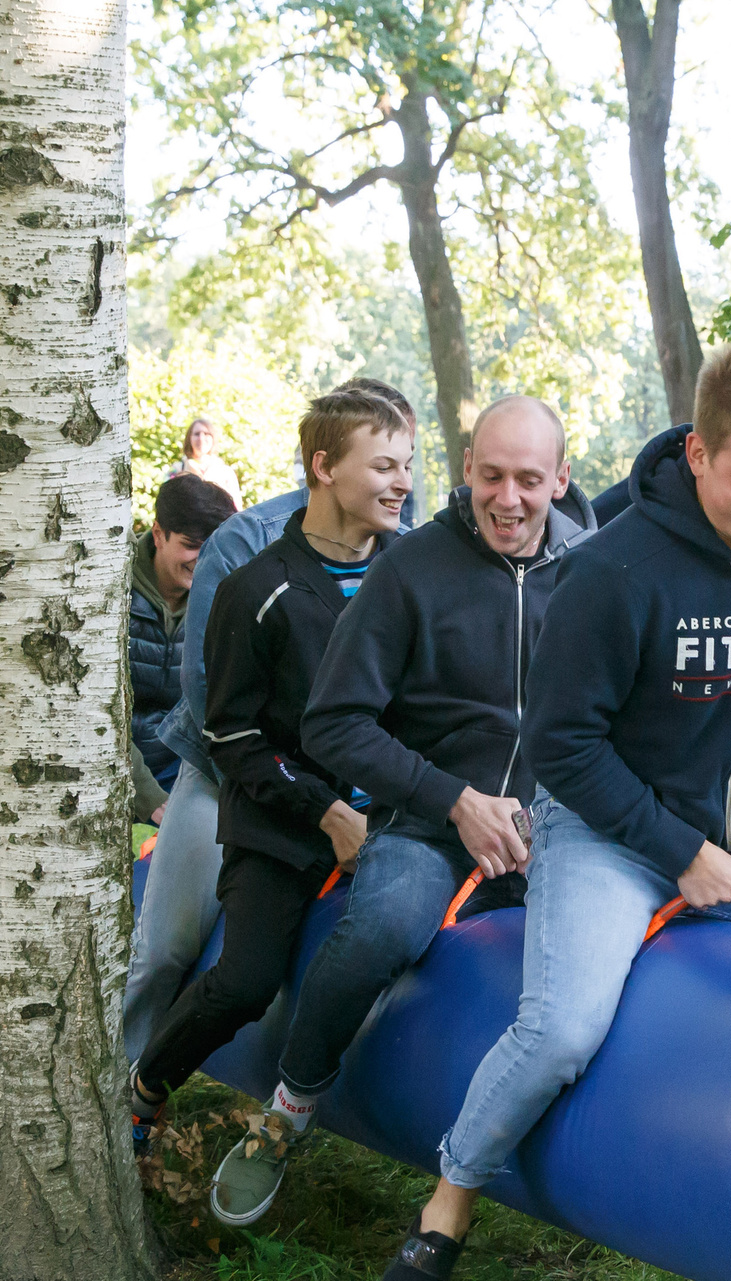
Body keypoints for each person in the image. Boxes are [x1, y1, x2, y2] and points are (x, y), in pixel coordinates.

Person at [360, 340, 731, 1281]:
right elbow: (563, 746)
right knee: (562, 1029)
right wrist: (676, 849)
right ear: (698, 452)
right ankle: (444, 1213)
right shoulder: (612, 568)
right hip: (610, 827)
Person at [202, 397, 599, 1226]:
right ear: (466, 468)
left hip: (556, 825)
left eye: (530, 480)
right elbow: (333, 722)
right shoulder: (410, 567)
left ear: (561, 479)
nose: (509, 499)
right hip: (428, 820)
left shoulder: (593, 570)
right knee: (383, 927)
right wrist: (455, 801)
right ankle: (289, 1109)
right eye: (492, 476)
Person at [125, 388, 415, 1153]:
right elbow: (232, 736)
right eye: (383, 465)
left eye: (408, 464)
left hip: (396, 817)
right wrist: (329, 813)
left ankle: (297, 1111)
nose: (403, 482)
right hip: (283, 821)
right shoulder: (256, 584)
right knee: (247, 982)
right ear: (324, 467)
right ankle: (142, 1087)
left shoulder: (411, 573)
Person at [129, 474, 239, 822]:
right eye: (191, 545)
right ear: (158, 534)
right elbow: (97, 715)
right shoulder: (109, 589)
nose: (203, 558)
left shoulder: (225, 598)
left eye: (213, 546)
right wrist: (150, 800)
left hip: (183, 768)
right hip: (114, 770)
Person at [168, 415, 242, 502]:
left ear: (213, 438)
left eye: (206, 434)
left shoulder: (226, 473)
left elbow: (236, 506)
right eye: (197, 434)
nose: (201, 438)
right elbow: (166, 502)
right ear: (189, 438)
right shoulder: (177, 469)